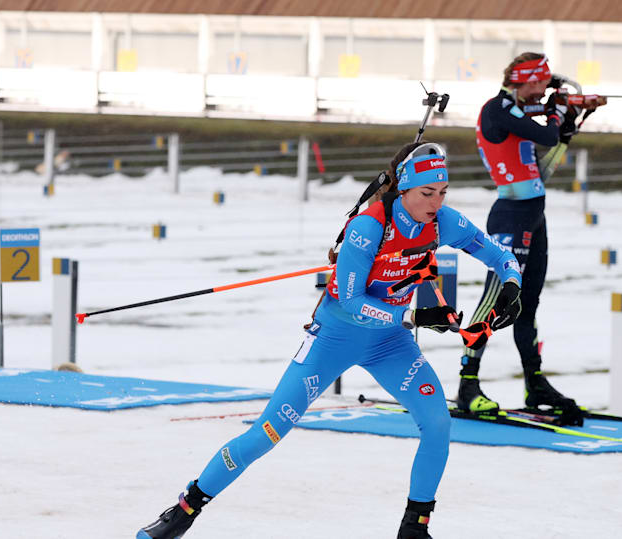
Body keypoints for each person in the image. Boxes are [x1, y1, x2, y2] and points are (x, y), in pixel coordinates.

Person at [137, 142, 522, 539]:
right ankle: (185, 510)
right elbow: (352, 302)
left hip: (390, 343)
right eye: (427, 193)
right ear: (404, 189)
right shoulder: (369, 226)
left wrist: (512, 284)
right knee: (266, 434)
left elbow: (499, 256)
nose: (436, 202)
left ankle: (414, 529)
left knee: (438, 423)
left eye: (442, 193)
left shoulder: (444, 222)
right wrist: (414, 316)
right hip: (334, 339)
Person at [456, 52, 592, 423]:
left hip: (533, 214)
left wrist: (573, 116)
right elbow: (548, 132)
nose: (545, 89)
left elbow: (551, 146)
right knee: (495, 299)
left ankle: (535, 383)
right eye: (542, 83)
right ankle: (468, 384)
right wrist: (560, 110)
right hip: (511, 215)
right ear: (527, 81)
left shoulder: (519, 110)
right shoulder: (497, 110)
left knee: (527, 303)